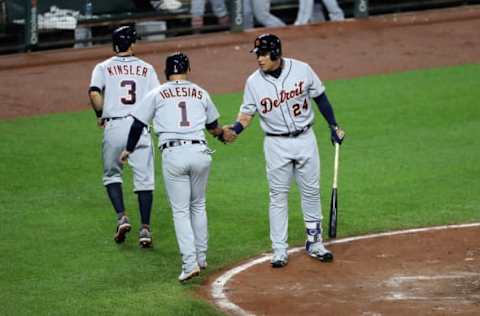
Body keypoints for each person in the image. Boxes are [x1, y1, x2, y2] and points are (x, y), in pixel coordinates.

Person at [224, 34, 345, 268]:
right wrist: (236, 129)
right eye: (257, 54)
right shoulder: (253, 82)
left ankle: (315, 242)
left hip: (305, 139)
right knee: (278, 197)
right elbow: (247, 113)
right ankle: (279, 249)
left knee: (310, 192)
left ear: (276, 53)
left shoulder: (302, 69)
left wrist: (334, 125)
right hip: (276, 144)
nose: (258, 59)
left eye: (262, 54)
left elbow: (320, 97)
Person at [119, 52, 232, 282]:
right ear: (187, 69)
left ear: (166, 72)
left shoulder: (157, 93)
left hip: (174, 154)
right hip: (200, 153)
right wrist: (223, 134)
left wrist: (128, 149)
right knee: (198, 205)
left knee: (181, 211)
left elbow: (138, 124)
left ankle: (190, 264)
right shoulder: (200, 92)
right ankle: (201, 258)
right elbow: (213, 127)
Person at [88, 25, 160, 248]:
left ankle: (122, 216)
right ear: (131, 44)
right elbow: (158, 100)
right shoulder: (147, 69)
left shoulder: (102, 67)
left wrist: (100, 114)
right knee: (144, 180)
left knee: (112, 175)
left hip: (114, 127)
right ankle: (145, 230)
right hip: (139, 128)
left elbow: (94, 93)